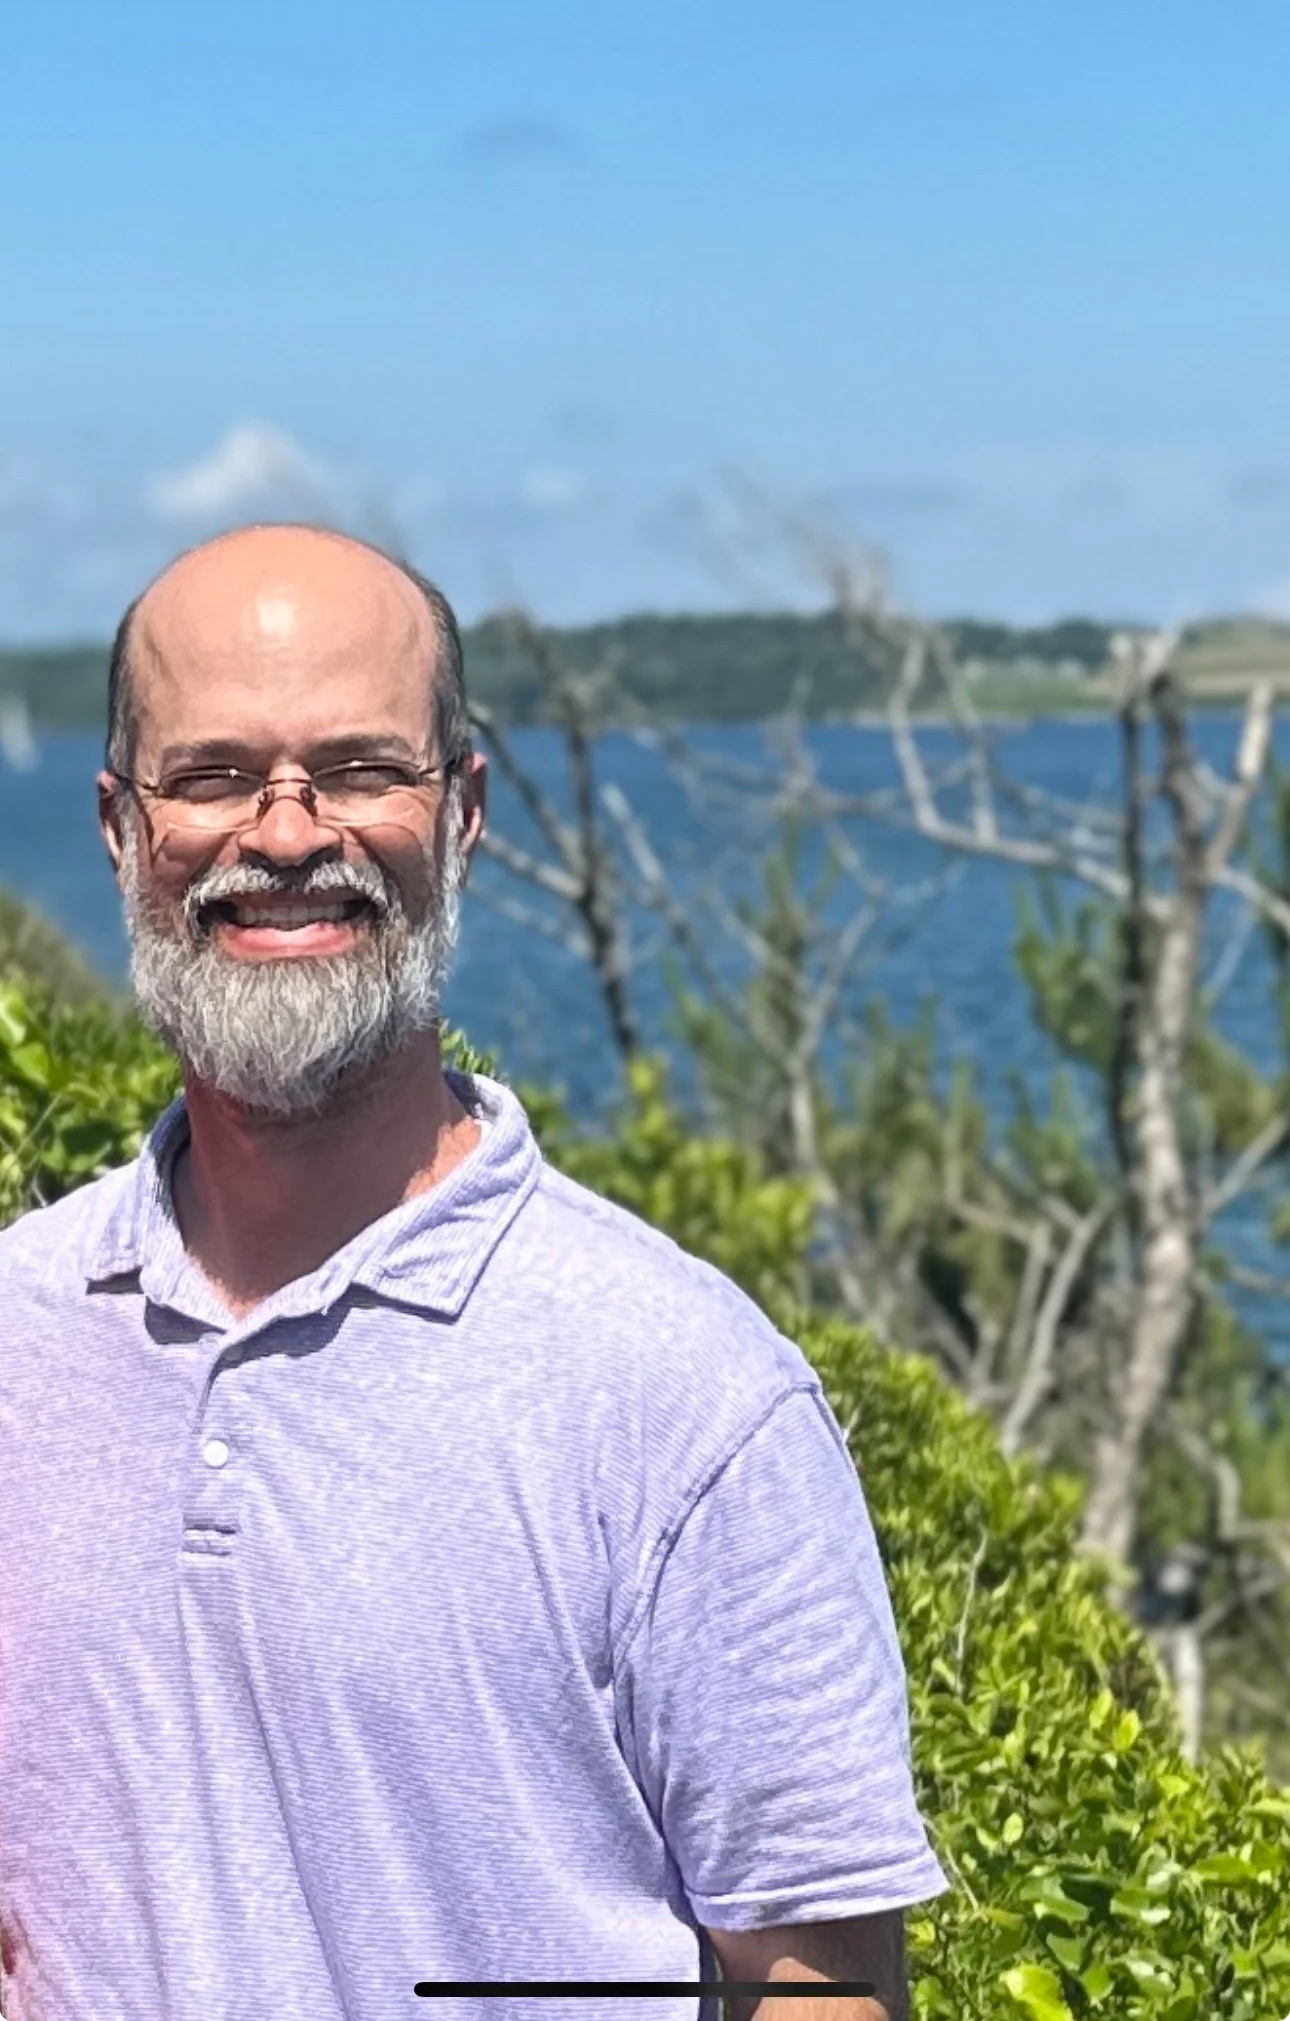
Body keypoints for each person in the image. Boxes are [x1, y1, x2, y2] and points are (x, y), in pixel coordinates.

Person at [0, 524, 945, 2021]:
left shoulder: (683, 1396)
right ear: (123, 827)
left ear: (463, 815)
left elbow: (818, 1987)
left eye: (361, 769)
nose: (287, 834)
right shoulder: (21, 1335)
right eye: (215, 775)